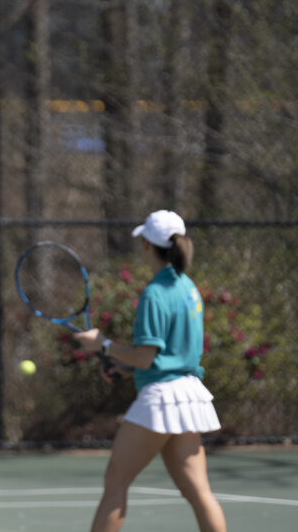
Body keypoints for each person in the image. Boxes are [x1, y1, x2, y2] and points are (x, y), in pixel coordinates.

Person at [73, 210, 227, 532]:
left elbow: (145, 358)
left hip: (162, 399)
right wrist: (124, 367)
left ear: (146, 245)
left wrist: (102, 344)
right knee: (198, 490)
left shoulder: (155, 293)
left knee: (116, 481)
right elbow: (170, 357)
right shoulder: (189, 288)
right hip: (188, 395)